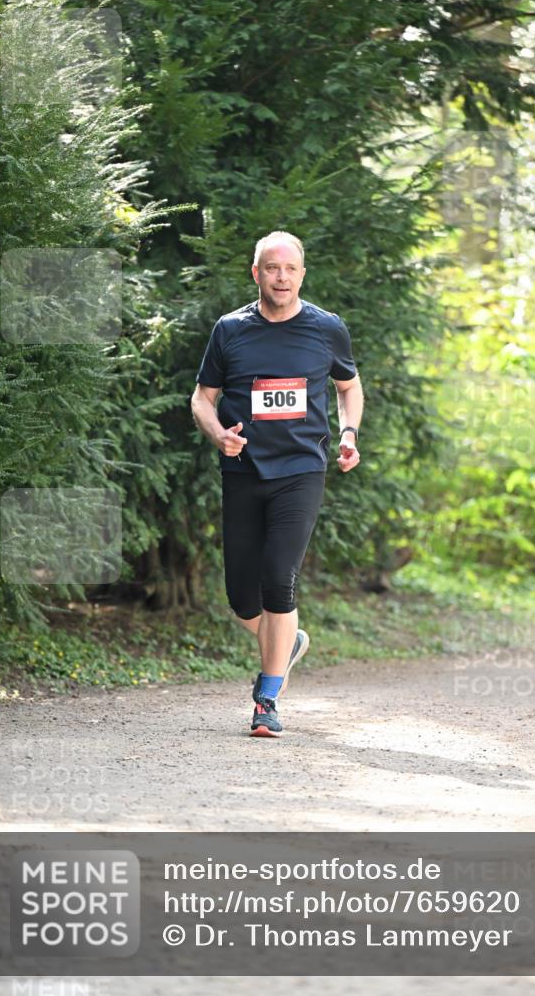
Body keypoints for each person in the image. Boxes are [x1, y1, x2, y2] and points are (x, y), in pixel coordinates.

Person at [190, 230, 363, 737]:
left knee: (278, 576)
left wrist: (349, 432)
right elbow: (202, 398)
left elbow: (348, 388)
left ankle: (267, 698)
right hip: (243, 472)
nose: (281, 277)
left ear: (302, 275)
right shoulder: (230, 330)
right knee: (242, 597)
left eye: (289, 269)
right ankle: (286, 642)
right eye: (271, 268)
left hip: (301, 471)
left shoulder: (326, 329)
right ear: (256, 273)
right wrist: (219, 433)